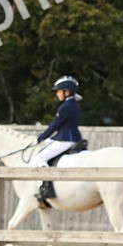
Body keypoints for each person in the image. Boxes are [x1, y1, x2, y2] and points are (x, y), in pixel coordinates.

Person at [34, 75, 83, 204]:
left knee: (40, 158)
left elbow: (55, 125)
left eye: (58, 91)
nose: (57, 94)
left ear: (66, 92)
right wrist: (50, 139)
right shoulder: (75, 105)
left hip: (66, 139)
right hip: (68, 136)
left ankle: (47, 188)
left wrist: (41, 137)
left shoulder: (65, 107)